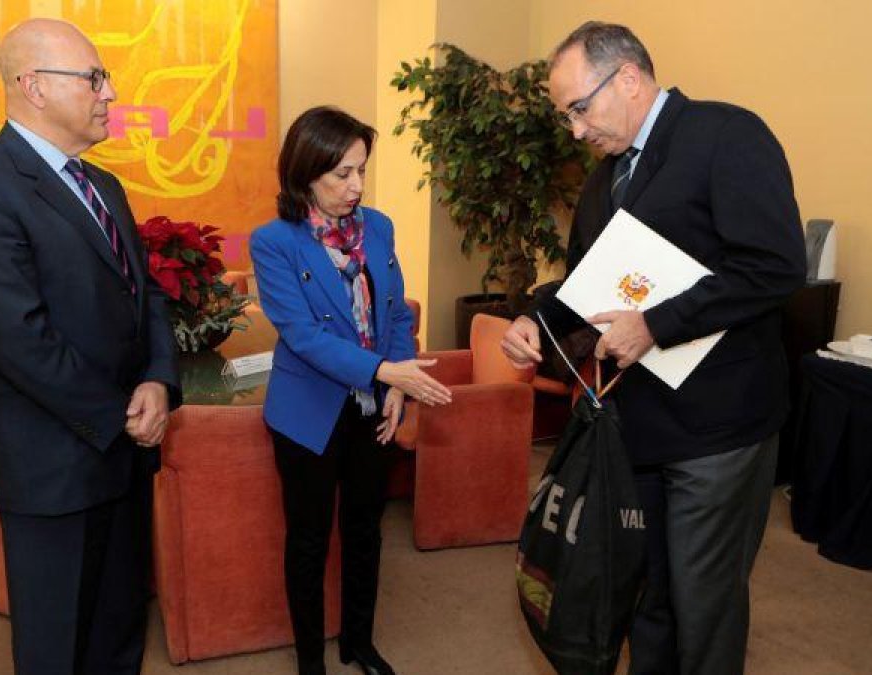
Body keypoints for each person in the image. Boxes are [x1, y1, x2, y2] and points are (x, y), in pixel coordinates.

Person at [501, 22, 806, 675]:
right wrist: (538, 318)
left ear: (629, 78)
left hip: (720, 428)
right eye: (566, 118)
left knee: (704, 603)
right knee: (646, 597)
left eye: (579, 109)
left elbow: (776, 266)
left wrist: (658, 323)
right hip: (637, 428)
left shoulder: (726, 135)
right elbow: (587, 283)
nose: (575, 130)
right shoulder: (601, 180)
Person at [0, 18, 180, 675]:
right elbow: (18, 335)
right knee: (58, 642)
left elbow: (146, 298)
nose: (111, 93)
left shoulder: (106, 187)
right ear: (33, 86)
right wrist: (119, 415)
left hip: (126, 451)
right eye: (95, 78)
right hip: (54, 464)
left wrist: (157, 381)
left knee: (119, 626)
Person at [250, 106, 453, 675]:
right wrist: (387, 374)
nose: (356, 186)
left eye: (361, 170)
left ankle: (359, 641)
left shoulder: (380, 227)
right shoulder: (275, 242)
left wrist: (397, 387)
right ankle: (310, 660)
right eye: (341, 174)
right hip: (308, 414)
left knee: (366, 530)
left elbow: (394, 316)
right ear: (304, 174)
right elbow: (303, 336)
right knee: (309, 542)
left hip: (373, 410)